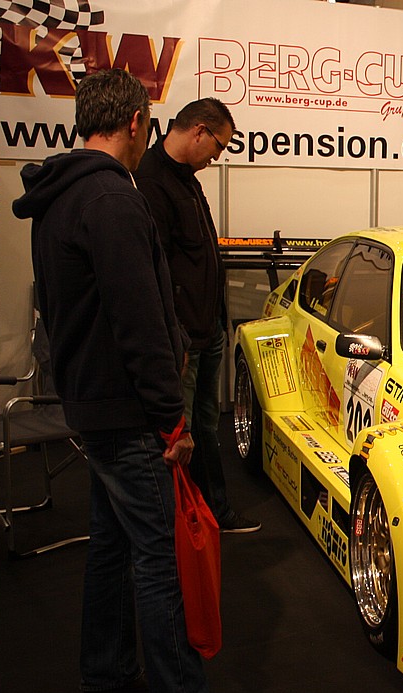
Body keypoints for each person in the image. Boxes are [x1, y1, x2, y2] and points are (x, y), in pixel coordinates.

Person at [11, 70, 270, 693]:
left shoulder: (60, 194)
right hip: (129, 412)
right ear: (135, 122)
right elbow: (142, 323)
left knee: (112, 544)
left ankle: (105, 674)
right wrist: (172, 421)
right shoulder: (112, 199)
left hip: (92, 403)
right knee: (159, 560)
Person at [135, 99, 260, 534]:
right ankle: (183, 525)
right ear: (199, 131)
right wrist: (176, 338)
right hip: (186, 339)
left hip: (207, 331)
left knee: (206, 427)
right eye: (219, 146)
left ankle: (211, 513)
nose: (217, 156)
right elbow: (156, 272)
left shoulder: (185, 178)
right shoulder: (151, 181)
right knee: (181, 436)